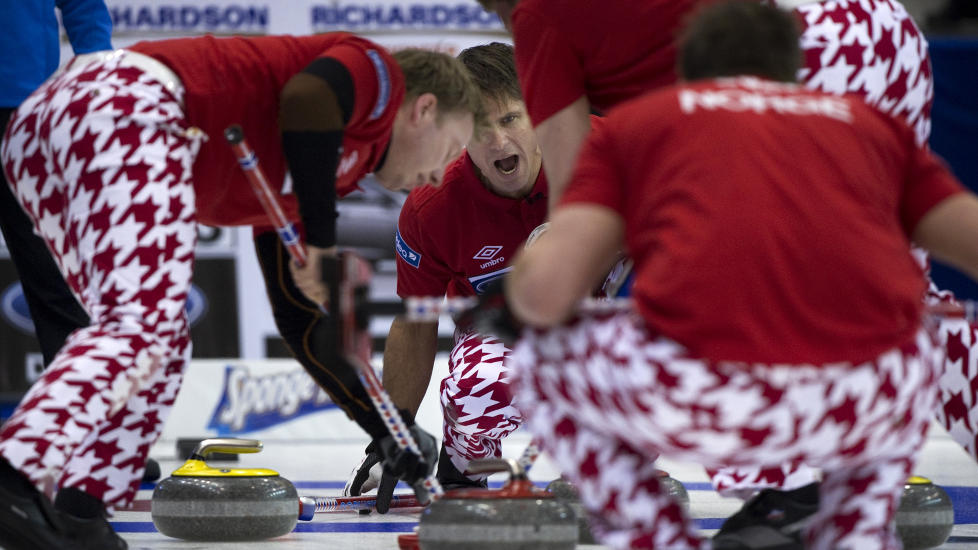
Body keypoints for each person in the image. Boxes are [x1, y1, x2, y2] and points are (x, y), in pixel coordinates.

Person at [497, 2, 978, 548]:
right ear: (800, 63)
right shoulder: (871, 131)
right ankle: (854, 523)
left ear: (681, 68)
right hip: (856, 404)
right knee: (919, 322)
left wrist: (526, 297)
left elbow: (550, 288)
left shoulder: (638, 126)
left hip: (709, 399)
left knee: (542, 357)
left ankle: (661, 533)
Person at [0, 32, 480, 549]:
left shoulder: (319, 167)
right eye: (451, 149)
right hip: (121, 105)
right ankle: (14, 473)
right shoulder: (378, 76)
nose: (438, 173)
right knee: (143, 326)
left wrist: (384, 428)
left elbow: (300, 320)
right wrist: (320, 242)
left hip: (45, 132)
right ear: (423, 110)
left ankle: (80, 508)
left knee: (160, 344)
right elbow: (309, 97)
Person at [343, 42, 547, 512]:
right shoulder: (431, 208)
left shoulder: (597, 151)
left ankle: (629, 451)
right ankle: (465, 461)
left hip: (608, 320)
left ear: (539, 113)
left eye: (510, 119)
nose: (497, 142)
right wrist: (392, 433)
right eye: (479, 126)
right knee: (475, 392)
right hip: (503, 327)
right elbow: (415, 323)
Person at [475, 0, 715, 210]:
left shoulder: (537, 13)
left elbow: (575, 189)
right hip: (739, 115)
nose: (508, 27)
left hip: (697, 151)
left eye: (499, 13)